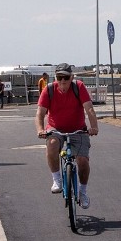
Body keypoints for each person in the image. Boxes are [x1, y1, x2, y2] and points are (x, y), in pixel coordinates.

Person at [35, 63, 99, 209]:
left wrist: (94, 127)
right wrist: (40, 129)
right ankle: (56, 179)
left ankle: (82, 192)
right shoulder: (49, 89)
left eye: (66, 77)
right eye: (59, 77)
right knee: (51, 144)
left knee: (82, 160)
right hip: (56, 129)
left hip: (78, 129)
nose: (63, 81)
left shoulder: (79, 87)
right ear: (55, 78)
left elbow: (89, 109)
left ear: (72, 77)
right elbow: (40, 113)